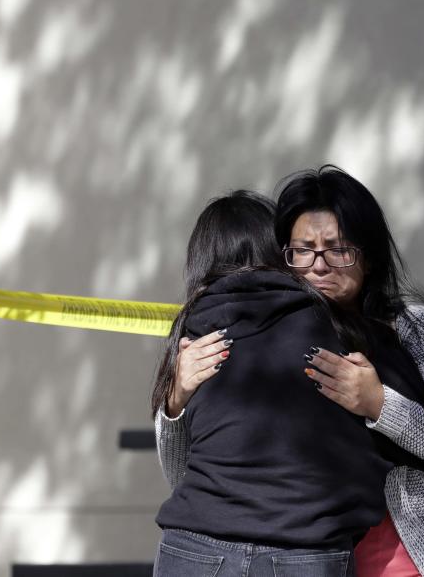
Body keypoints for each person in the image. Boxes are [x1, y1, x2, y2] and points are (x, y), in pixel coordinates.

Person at [157, 167, 424, 576]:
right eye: (302, 250)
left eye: (338, 249)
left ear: (370, 256)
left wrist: (381, 405)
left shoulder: (412, 328)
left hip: (408, 563)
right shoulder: (258, 335)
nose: (319, 265)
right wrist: (175, 403)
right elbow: (184, 477)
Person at [150, 190, 393, 577]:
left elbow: (179, 474)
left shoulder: (195, 330)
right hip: (308, 545)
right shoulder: (337, 324)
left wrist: (174, 400)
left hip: (195, 544)